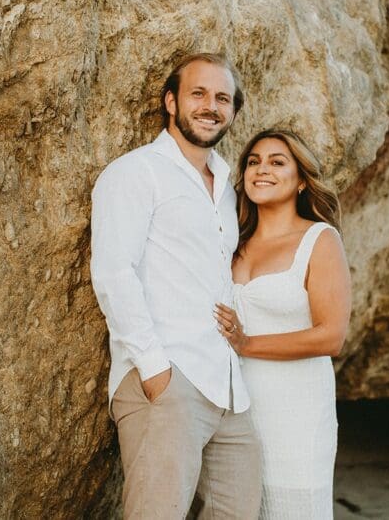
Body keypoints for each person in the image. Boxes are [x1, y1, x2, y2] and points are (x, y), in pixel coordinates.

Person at [90, 52, 262, 519]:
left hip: (227, 386)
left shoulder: (227, 188)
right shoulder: (135, 172)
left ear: (233, 111)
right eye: (198, 94)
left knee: (239, 511)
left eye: (222, 98)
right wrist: (154, 370)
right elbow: (113, 272)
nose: (210, 106)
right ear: (171, 102)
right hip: (168, 378)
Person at [213, 129, 352, 519]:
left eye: (277, 162)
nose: (262, 169)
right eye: (253, 162)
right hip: (234, 409)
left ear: (302, 180)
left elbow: (331, 336)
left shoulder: (319, 240)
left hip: (297, 411)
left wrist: (247, 344)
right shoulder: (232, 242)